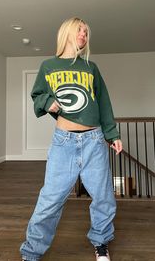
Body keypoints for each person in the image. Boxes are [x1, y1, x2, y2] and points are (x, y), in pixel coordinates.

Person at [20, 17, 123, 261]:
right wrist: (48, 103)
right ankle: (31, 253)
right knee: (50, 200)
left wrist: (112, 134)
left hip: (94, 141)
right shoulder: (48, 66)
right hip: (63, 143)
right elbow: (37, 95)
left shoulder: (91, 67)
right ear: (66, 32)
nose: (84, 36)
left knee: (104, 197)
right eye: (80, 30)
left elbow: (104, 102)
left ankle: (101, 242)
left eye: (87, 33)